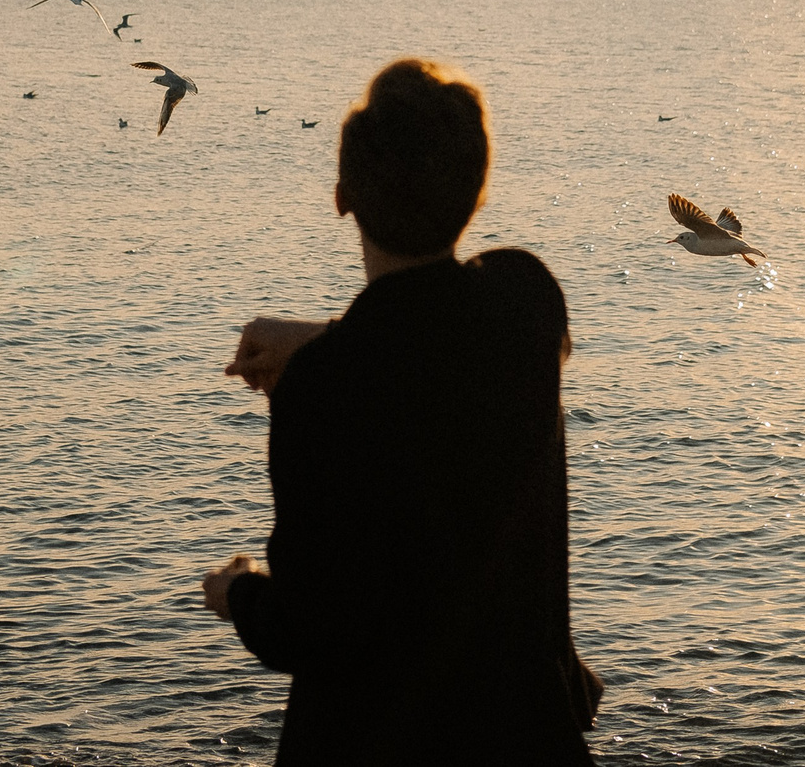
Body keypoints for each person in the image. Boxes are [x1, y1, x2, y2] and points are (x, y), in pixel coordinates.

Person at [205, 59, 599, 765]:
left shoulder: (324, 388)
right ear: (476, 194)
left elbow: (310, 630)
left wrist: (238, 593)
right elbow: (433, 327)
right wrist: (314, 339)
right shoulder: (527, 303)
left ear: (342, 198)